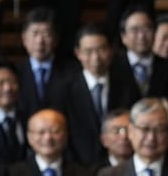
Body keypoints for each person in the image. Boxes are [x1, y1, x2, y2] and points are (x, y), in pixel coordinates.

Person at [50, 23, 138, 166]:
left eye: (101, 50)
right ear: (78, 53)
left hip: (118, 166)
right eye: (88, 51)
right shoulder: (63, 89)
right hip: (77, 169)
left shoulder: (127, 85)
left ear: (111, 50)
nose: (95, 58)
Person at [16, 7, 77, 119]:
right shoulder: (15, 74)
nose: (40, 41)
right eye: (35, 34)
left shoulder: (72, 72)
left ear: (56, 39)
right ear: (24, 39)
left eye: (46, 34)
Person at [115, 6, 168, 101]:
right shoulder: (112, 68)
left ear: (154, 32)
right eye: (135, 30)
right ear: (123, 37)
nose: (141, 36)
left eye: (146, 28)